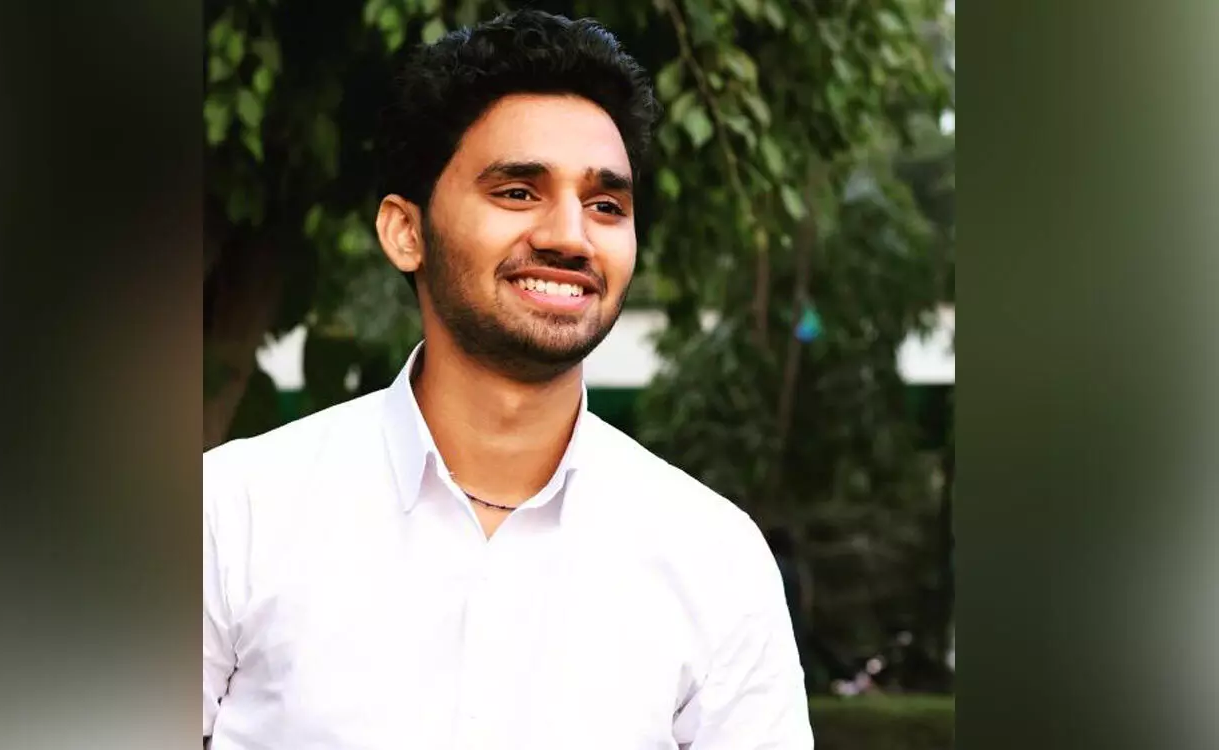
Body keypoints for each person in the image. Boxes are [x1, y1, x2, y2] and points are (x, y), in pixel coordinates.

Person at [203, 10, 813, 749]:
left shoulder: (713, 559)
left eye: (606, 205)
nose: (569, 236)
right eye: (519, 192)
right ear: (406, 232)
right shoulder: (233, 515)